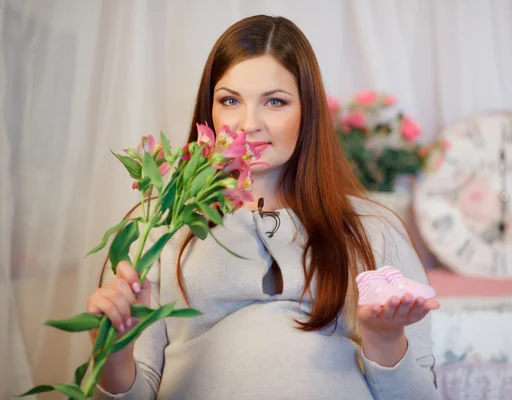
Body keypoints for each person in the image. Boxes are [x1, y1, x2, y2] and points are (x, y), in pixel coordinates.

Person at [87, 14, 440, 400]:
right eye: (230, 100)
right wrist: (114, 359)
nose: (247, 124)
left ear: (308, 112)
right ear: (209, 110)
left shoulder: (373, 228)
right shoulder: (157, 225)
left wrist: (385, 339)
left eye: (275, 101)